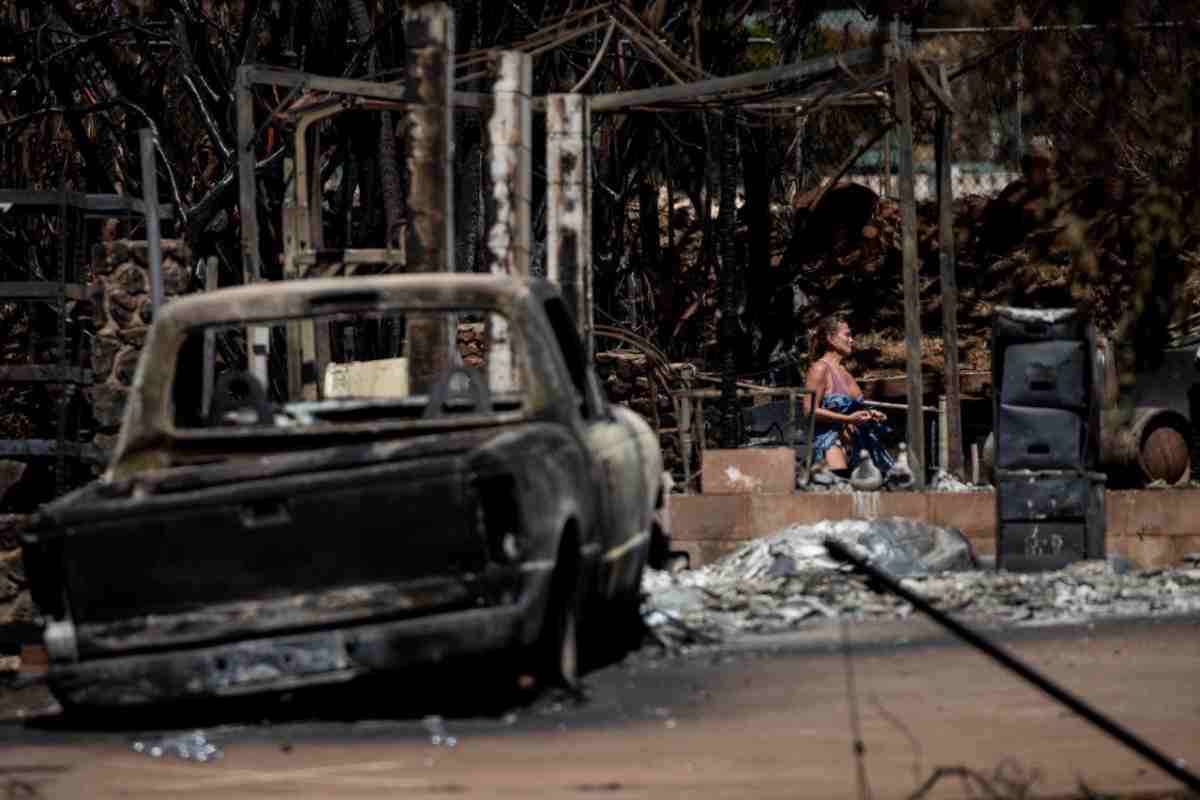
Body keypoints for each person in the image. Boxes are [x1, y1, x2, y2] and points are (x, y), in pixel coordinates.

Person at [802, 315, 894, 475]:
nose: (852, 340)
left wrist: (870, 414)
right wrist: (848, 419)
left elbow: (853, 409)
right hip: (830, 443)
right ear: (831, 338)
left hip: (858, 442)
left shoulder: (845, 371)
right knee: (839, 492)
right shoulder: (819, 369)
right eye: (847, 335)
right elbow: (809, 411)